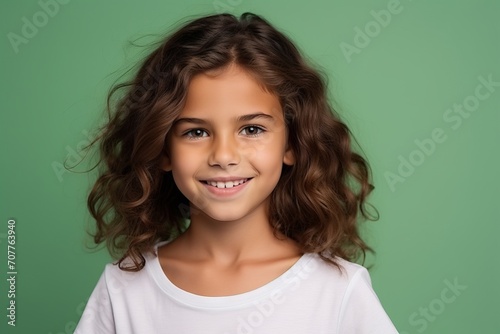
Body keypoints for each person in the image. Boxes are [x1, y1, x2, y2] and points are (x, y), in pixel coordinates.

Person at [75, 12, 398, 334]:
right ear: (162, 149)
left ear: (292, 143)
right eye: (196, 132)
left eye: (252, 129)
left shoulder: (338, 290)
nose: (224, 156)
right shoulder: (124, 287)